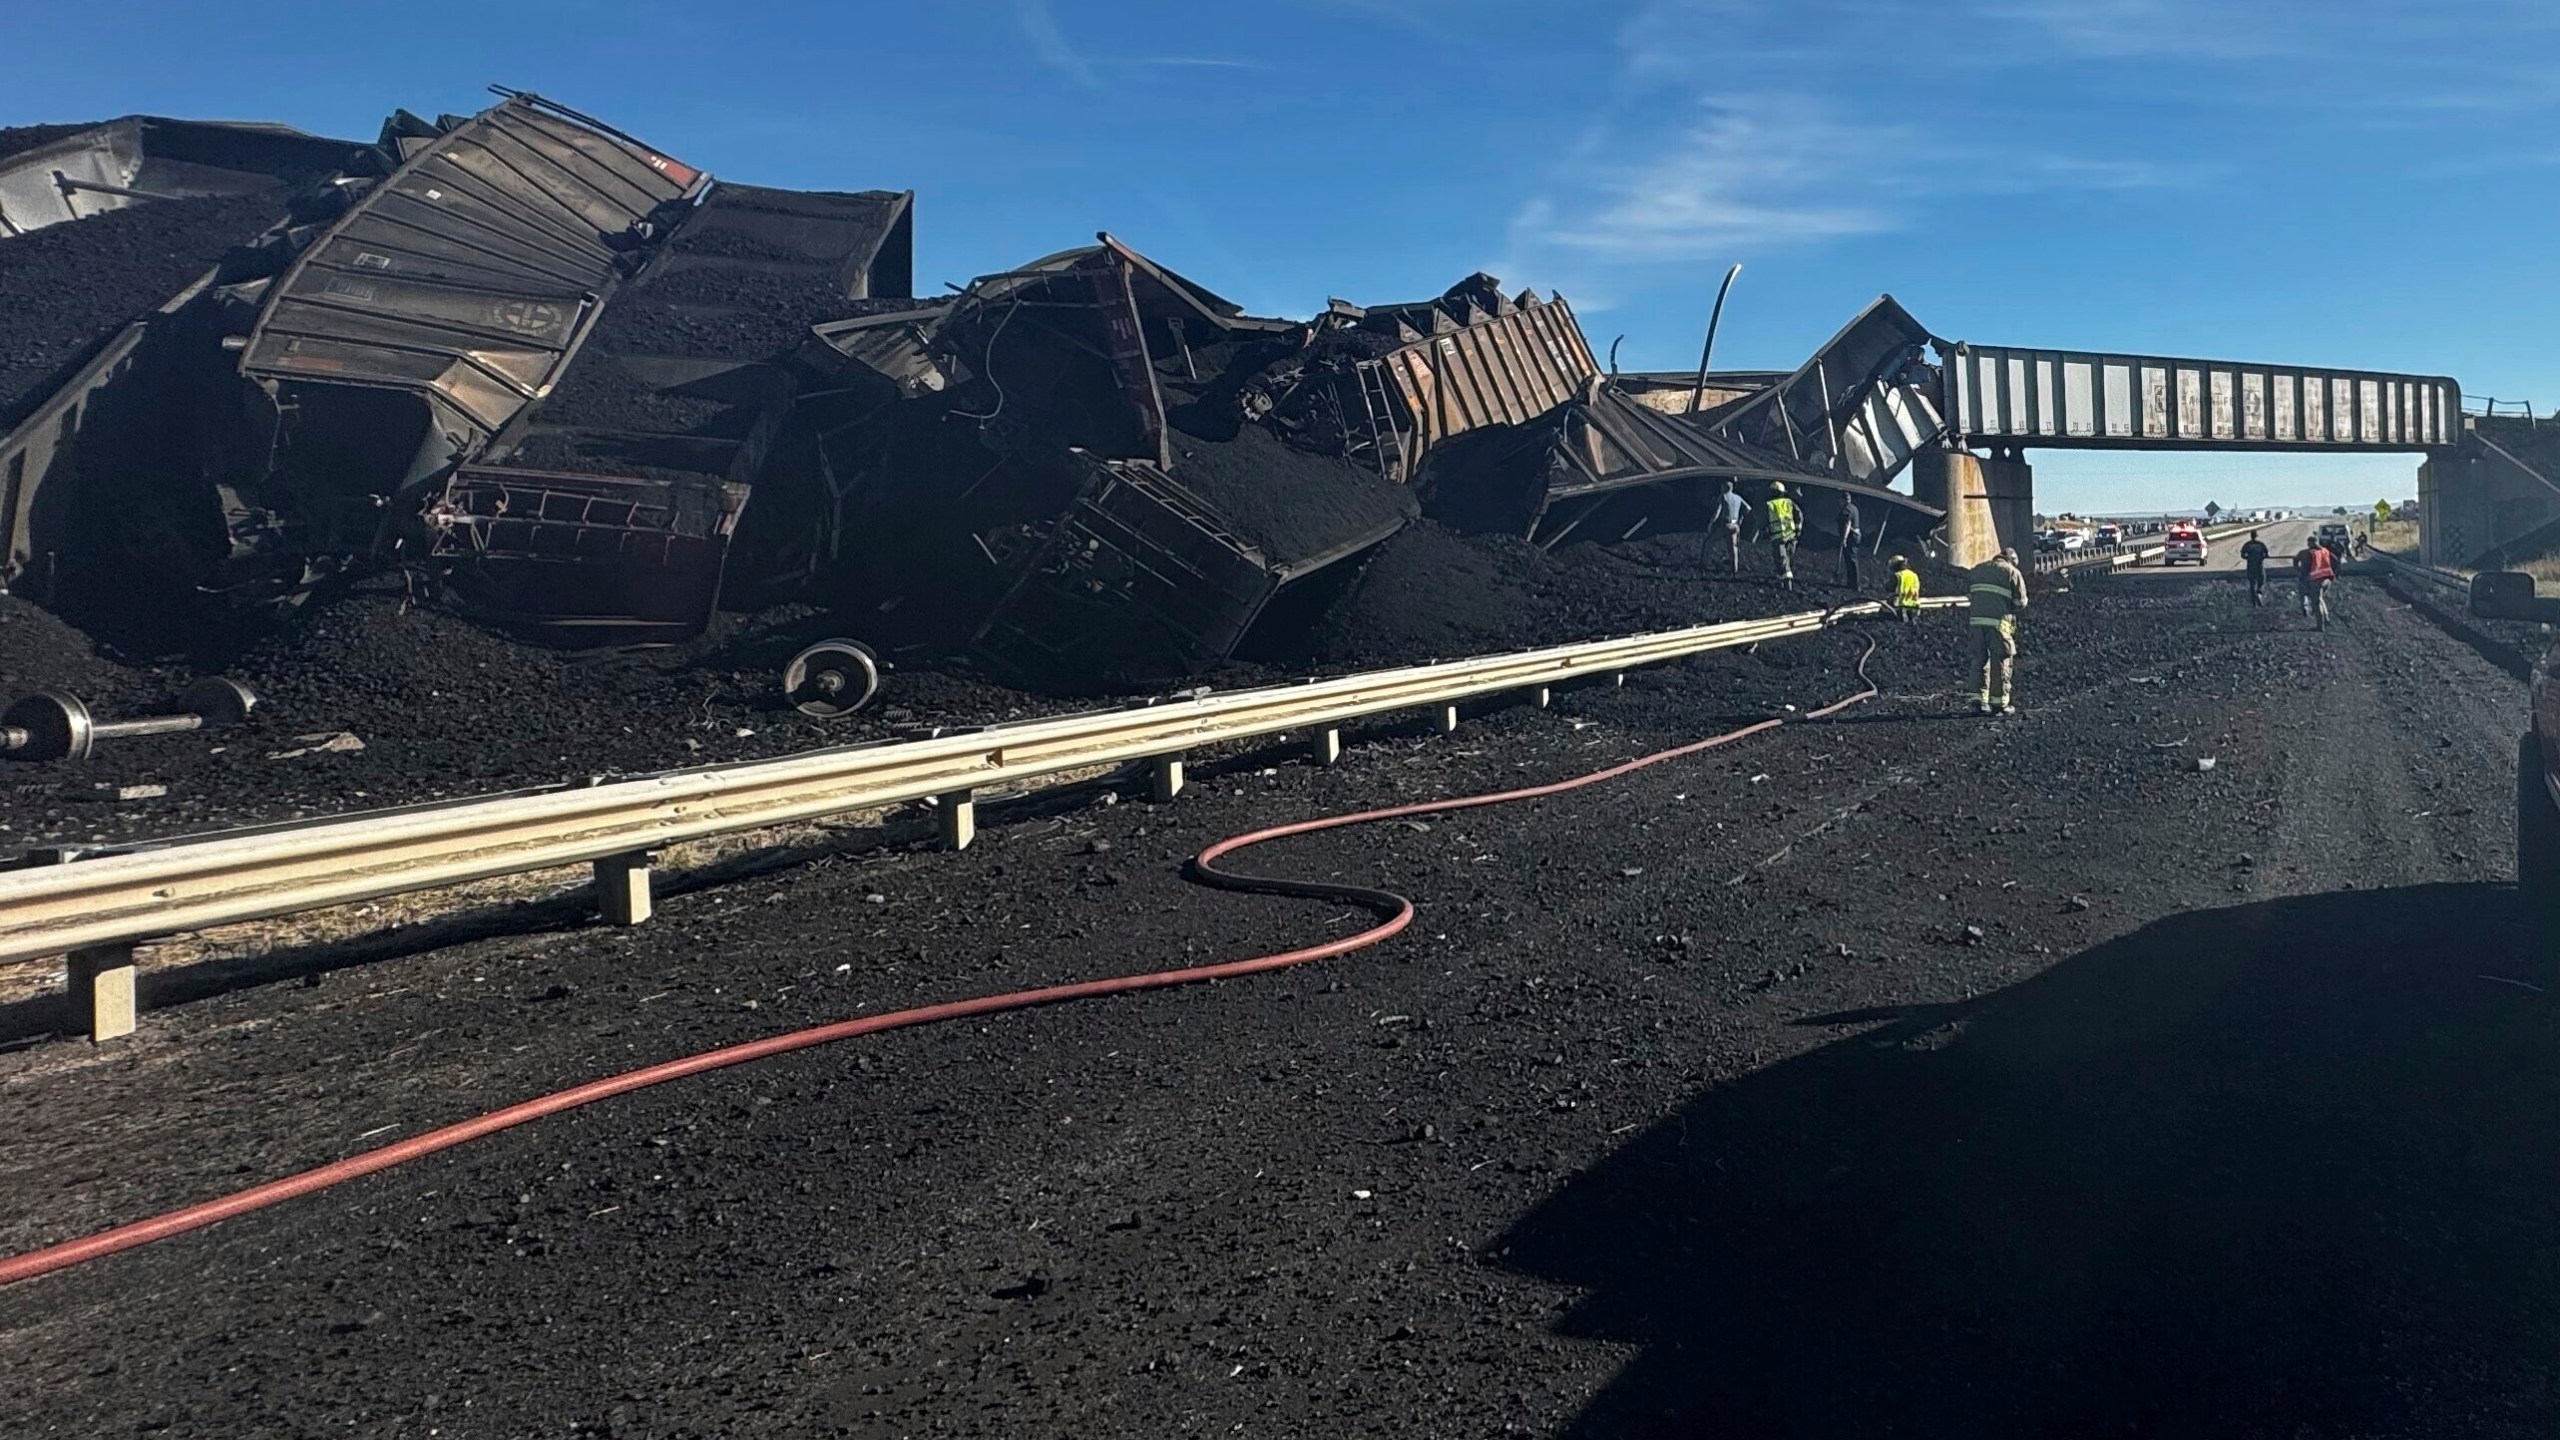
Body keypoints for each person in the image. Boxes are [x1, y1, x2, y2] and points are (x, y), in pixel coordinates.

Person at [1966, 545, 2030, 714]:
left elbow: (1971, 594)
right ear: (2012, 560)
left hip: (1976, 622)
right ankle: (1999, 703)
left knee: (1979, 660)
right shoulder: (2012, 573)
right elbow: (2020, 603)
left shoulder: (1978, 569)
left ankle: (1976, 701)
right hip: (1999, 624)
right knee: (2001, 660)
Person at [1708, 480, 1750, 573]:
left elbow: (1717, 512)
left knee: (1709, 541)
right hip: (1735, 526)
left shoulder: (1723, 497)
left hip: (1725, 525)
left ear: (1724, 487)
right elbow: (1748, 508)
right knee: (1733, 547)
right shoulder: (1738, 497)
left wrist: (1711, 523)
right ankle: (1734, 569)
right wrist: (1741, 518)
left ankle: (1703, 563)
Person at [2294, 535, 2336, 629]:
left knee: (2316, 603)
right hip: (2327, 580)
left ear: (2310, 543)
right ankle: (2326, 619)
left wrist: (2299, 572)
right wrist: (2334, 573)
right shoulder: (2325, 551)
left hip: (2316, 580)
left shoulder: (2306, 553)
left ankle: (2320, 626)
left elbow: (2300, 563)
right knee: (2320, 599)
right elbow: (2335, 560)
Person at [1766, 482, 1802, 588]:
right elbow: (1799, 514)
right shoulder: (1789, 502)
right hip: (1791, 535)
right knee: (1787, 557)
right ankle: (1784, 579)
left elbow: (1765, 520)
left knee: (1781, 558)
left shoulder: (1770, 505)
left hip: (1778, 536)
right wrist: (1798, 528)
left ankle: (1786, 581)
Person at [1838, 492, 1864, 589]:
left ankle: (1855, 584)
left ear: (1843, 500)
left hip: (1851, 536)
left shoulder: (1847, 510)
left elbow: (1847, 524)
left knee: (1851, 559)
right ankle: (1851, 583)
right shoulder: (1854, 508)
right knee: (1851, 559)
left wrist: (1844, 539)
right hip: (1856, 535)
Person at [2240, 530, 2270, 605]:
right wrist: (2262, 557)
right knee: (2262, 580)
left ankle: (2254, 601)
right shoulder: (2260, 544)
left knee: (2252, 582)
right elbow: (2266, 553)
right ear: (2256, 536)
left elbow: (2243, 555)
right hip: (2259, 565)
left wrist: (2248, 558)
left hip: (2250, 565)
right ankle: (2259, 592)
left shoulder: (2247, 545)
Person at [1890, 554, 1922, 622]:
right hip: (1914, 605)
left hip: (1901, 605)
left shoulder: (1898, 575)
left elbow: (1889, 587)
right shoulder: (1914, 575)